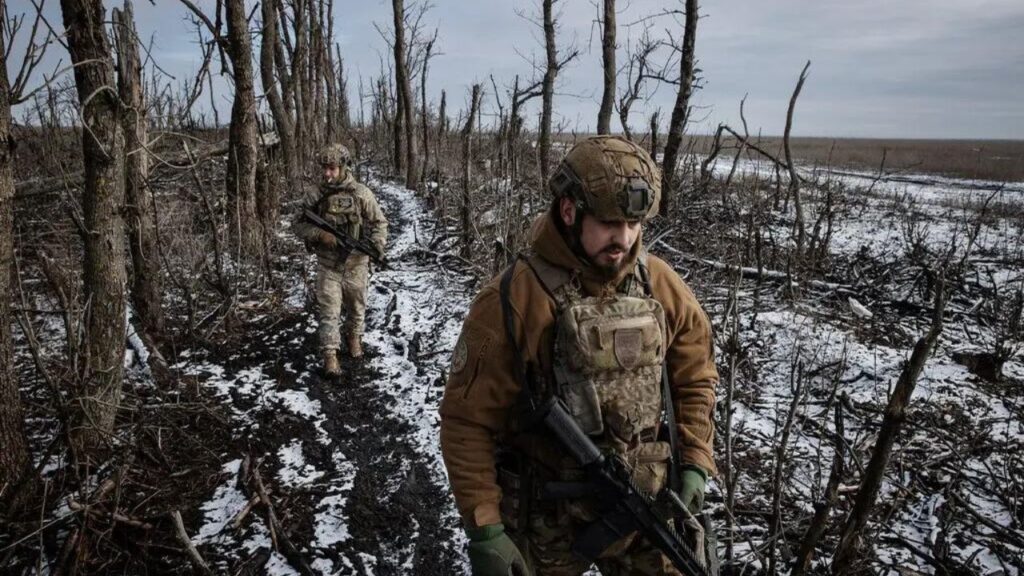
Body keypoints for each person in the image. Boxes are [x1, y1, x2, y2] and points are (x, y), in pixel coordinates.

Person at [439, 135, 718, 575]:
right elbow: (466, 421)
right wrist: (485, 529)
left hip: (647, 505)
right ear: (569, 211)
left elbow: (695, 378)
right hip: (547, 513)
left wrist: (697, 462)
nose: (623, 238)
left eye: (633, 224)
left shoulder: (661, 286)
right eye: (609, 223)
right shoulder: (514, 301)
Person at [292, 143, 388, 377]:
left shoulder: (361, 194)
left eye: (332, 168)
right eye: (324, 168)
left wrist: (377, 245)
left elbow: (379, 223)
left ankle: (354, 337)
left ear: (344, 167)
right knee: (329, 312)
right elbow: (297, 223)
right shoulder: (315, 194)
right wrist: (319, 235)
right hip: (328, 266)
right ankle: (330, 356)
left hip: (357, 265)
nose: (327, 173)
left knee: (357, 308)